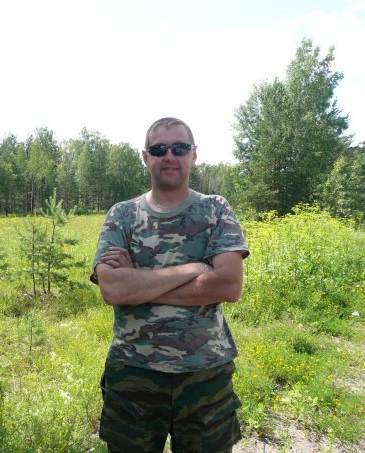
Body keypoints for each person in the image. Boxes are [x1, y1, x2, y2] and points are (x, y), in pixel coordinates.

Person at [90, 117, 249, 452]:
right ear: (146, 156)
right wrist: (197, 268)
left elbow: (229, 285)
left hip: (205, 375)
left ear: (194, 154)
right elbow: (113, 289)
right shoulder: (122, 215)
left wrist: (139, 283)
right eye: (159, 149)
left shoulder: (215, 210)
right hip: (133, 373)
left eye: (179, 147)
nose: (170, 156)